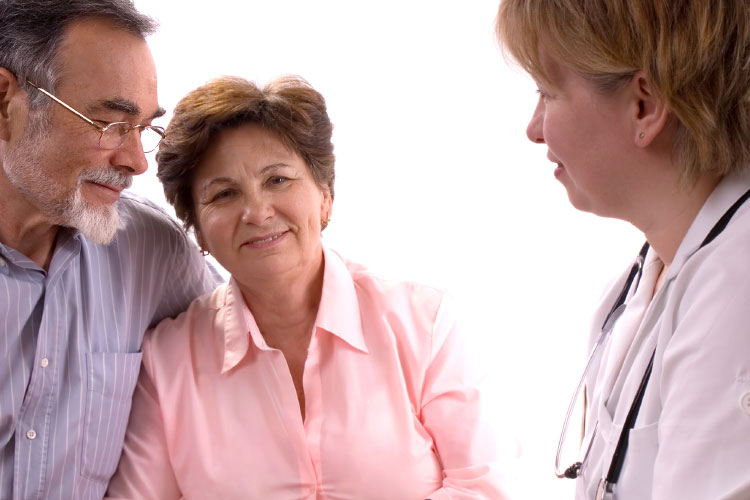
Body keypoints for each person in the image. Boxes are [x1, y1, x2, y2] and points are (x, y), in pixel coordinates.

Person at [105, 75, 506, 499]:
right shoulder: (167, 362)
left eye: (277, 180)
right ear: (199, 232)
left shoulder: (424, 323)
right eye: (224, 194)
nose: (257, 212)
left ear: (325, 196)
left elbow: (485, 485)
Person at [496, 1, 750, 499]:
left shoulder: (736, 292)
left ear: (644, 107)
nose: (534, 128)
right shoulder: (646, 278)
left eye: (547, 92)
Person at [0, 1, 219, 498]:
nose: (138, 162)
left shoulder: (152, 250)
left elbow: (253, 347)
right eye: (110, 123)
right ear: (5, 103)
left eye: (143, 128)